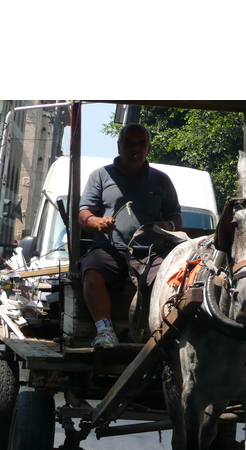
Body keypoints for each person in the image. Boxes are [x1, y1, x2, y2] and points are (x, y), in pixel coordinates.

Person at [78, 123, 183, 347]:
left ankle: (160, 331)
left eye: (141, 144)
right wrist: (97, 223)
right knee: (92, 273)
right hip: (109, 251)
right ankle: (105, 330)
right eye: (129, 143)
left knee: (171, 280)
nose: (135, 149)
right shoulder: (100, 176)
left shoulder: (161, 180)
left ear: (148, 149)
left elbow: (176, 216)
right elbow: (84, 214)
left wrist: (168, 225)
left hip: (150, 254)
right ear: (119, 146)